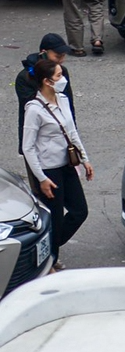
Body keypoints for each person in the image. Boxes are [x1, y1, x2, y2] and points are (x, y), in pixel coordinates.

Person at [19, 54, 90, 266]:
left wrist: (85, 159)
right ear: (46, 81)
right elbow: (28, 147)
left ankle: (46, 250)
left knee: (79, 211)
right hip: (49, 171)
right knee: (56, 218)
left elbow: (72, 131)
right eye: (59, 75)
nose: (63, 78)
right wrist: (41, 178)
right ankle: (50, 260)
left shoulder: (64, 100)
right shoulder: (34, 109)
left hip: (67, 165)